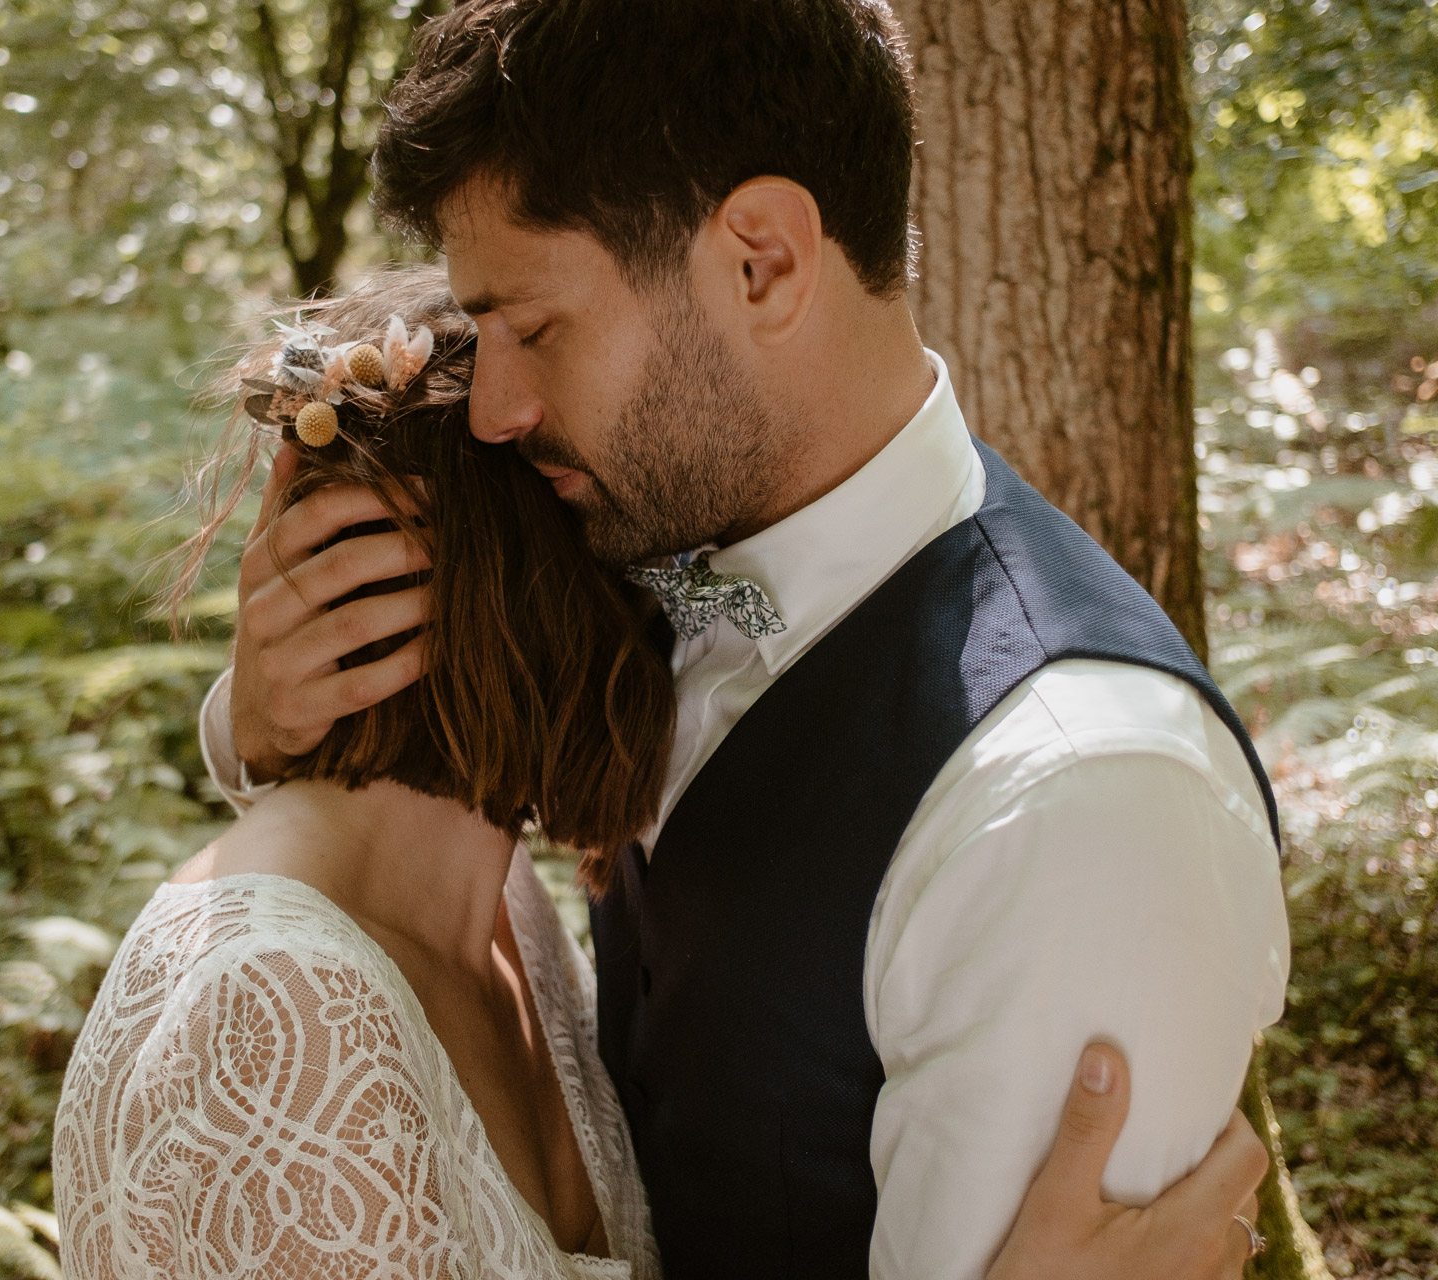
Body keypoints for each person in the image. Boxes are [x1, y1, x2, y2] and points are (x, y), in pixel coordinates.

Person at [197, 2, 1292, 1277]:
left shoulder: (1072, 804)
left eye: (533, 327)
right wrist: (258, 717)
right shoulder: (655, 533)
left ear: (760, 261)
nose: (491, 407)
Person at [53, 278, 1270, 1279]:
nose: (706, 618)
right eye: (654, 577)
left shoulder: (501, 916)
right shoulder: (272, 1026)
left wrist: (260, 738)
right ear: (529, 612)